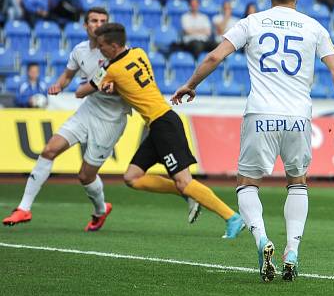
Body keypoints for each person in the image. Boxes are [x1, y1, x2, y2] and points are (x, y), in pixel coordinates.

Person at [171, 0, 334, 281]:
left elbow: (215, 57)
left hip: (260, 114)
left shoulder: (252, 22)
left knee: (247, 183)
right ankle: (292, 249)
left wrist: (191, 84)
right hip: (298, 117)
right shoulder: (313, 27)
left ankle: (261, 239)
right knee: (297, 182)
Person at [84, 22, 245, 239]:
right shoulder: (139, 53)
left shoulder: (112, 70)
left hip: (163, 125)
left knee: (185, 181)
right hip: (160, 123)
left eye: (102, 45)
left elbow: (88, 90)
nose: (99, 49)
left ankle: (232, 217)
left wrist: (106, 86)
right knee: (132, 177)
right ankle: (186, 193)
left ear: (113, 46)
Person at [3, 9, 139, 232]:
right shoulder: (80, 50)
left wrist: (115, 89)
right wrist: (59, 85)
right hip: (88, 110)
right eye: (94, 21)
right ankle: (23, 208)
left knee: (85, 175)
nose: (99, 24)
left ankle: (100, 210)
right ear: (85, 25)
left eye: (103, 21)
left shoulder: (118, 53)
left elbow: (133, 87)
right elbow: (68, 74)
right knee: (49, 150)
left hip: (110, 121)